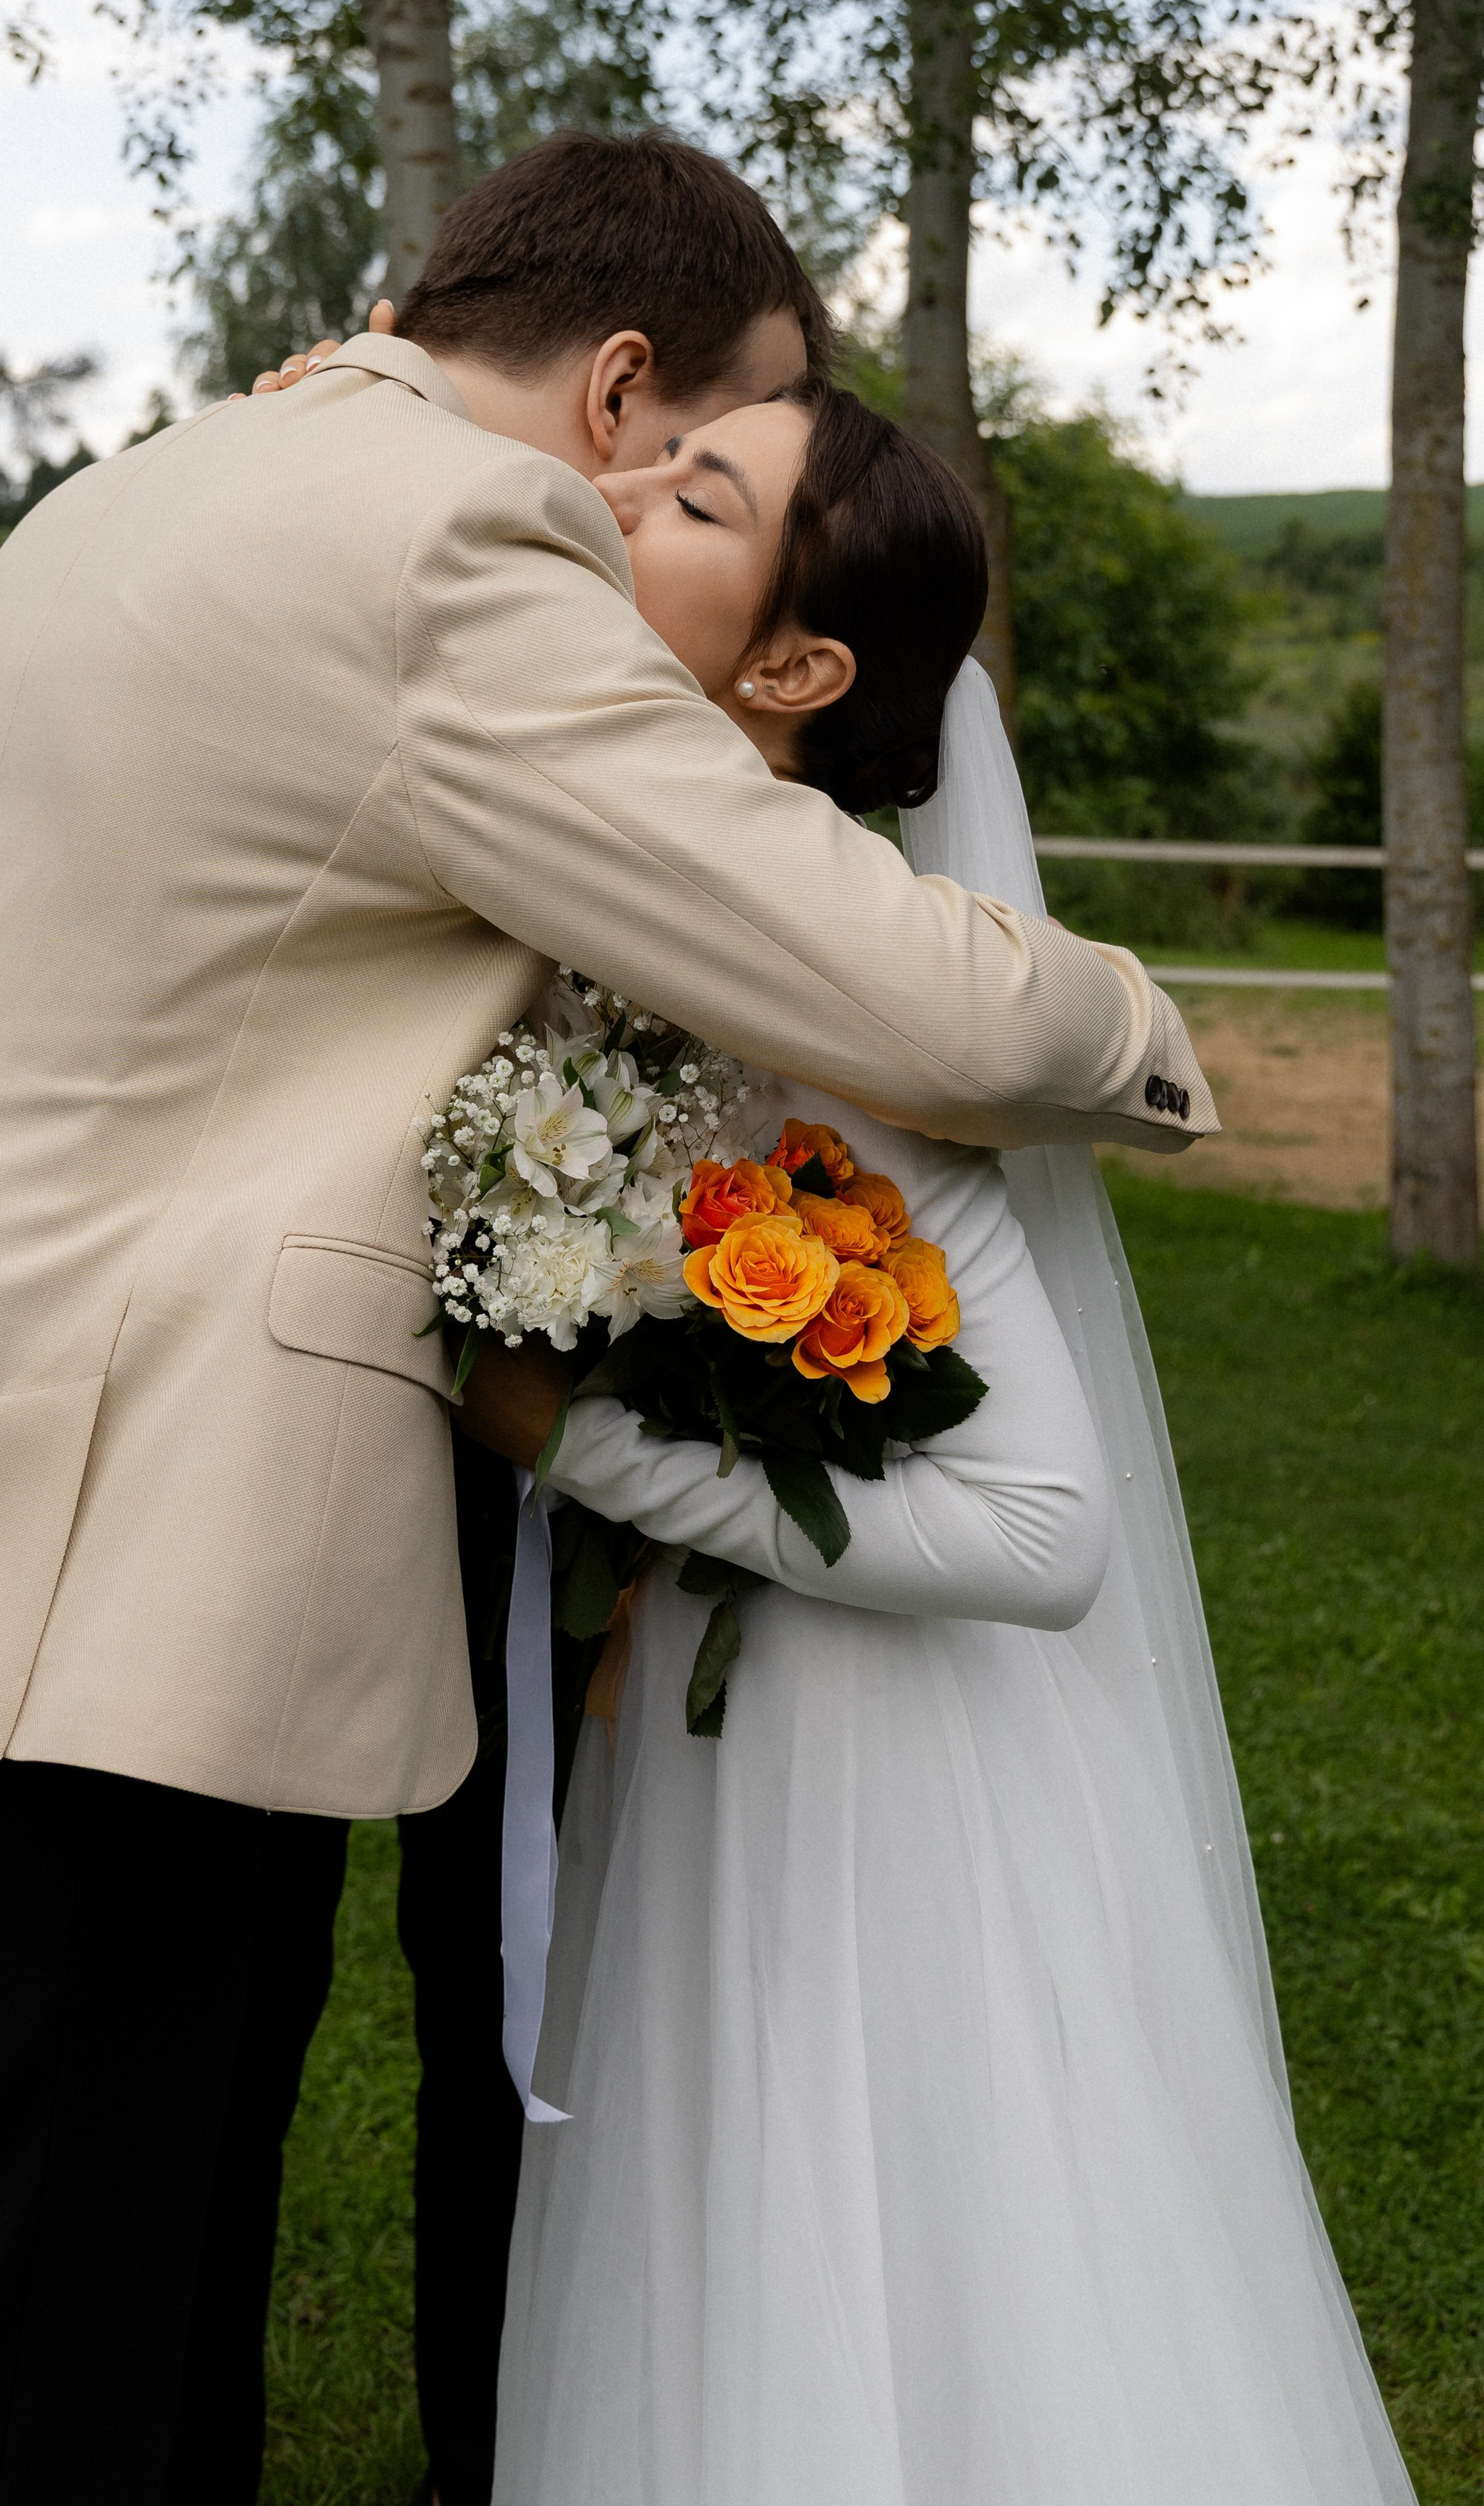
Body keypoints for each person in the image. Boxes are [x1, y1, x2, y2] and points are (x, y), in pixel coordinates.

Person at [0, 132, 1216, 2506]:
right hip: (60, 1599)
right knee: (32, 2391)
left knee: (108, 2324)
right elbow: (915, 1002)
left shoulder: (168, 477)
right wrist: (1148, 1041)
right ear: (607, 390)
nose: (677, 494)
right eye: (688, 446)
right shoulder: (448, 547)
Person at [451, 380, 1413, 2506]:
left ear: (795, 669)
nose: (618, 482)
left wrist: (588, 1455)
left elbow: (1049, 1527)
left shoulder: (841, 999)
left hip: (873, 1777)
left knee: (880, 2239)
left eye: (697, 488)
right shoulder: (639, 932)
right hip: (707, 1724)